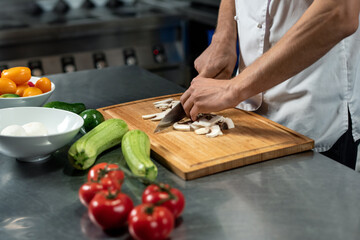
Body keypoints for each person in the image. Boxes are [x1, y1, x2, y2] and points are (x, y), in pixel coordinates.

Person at [180, 0, 360, 169]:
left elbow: (340, 11)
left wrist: (232, 89)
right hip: (246, 116)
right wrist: (224, 36)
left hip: (312, 119)